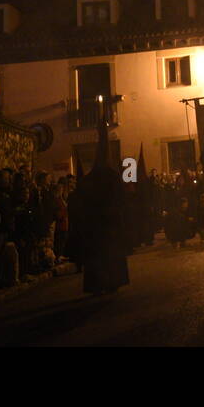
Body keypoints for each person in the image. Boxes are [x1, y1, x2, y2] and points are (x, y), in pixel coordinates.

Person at [78, 115, 130, 294]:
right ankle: (110, 281)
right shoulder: (111, 177)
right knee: (107, 254)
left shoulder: (92, 179)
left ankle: (101, 283)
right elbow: (121, 199)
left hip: (99, 225)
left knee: (101, 254)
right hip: (107, 224)